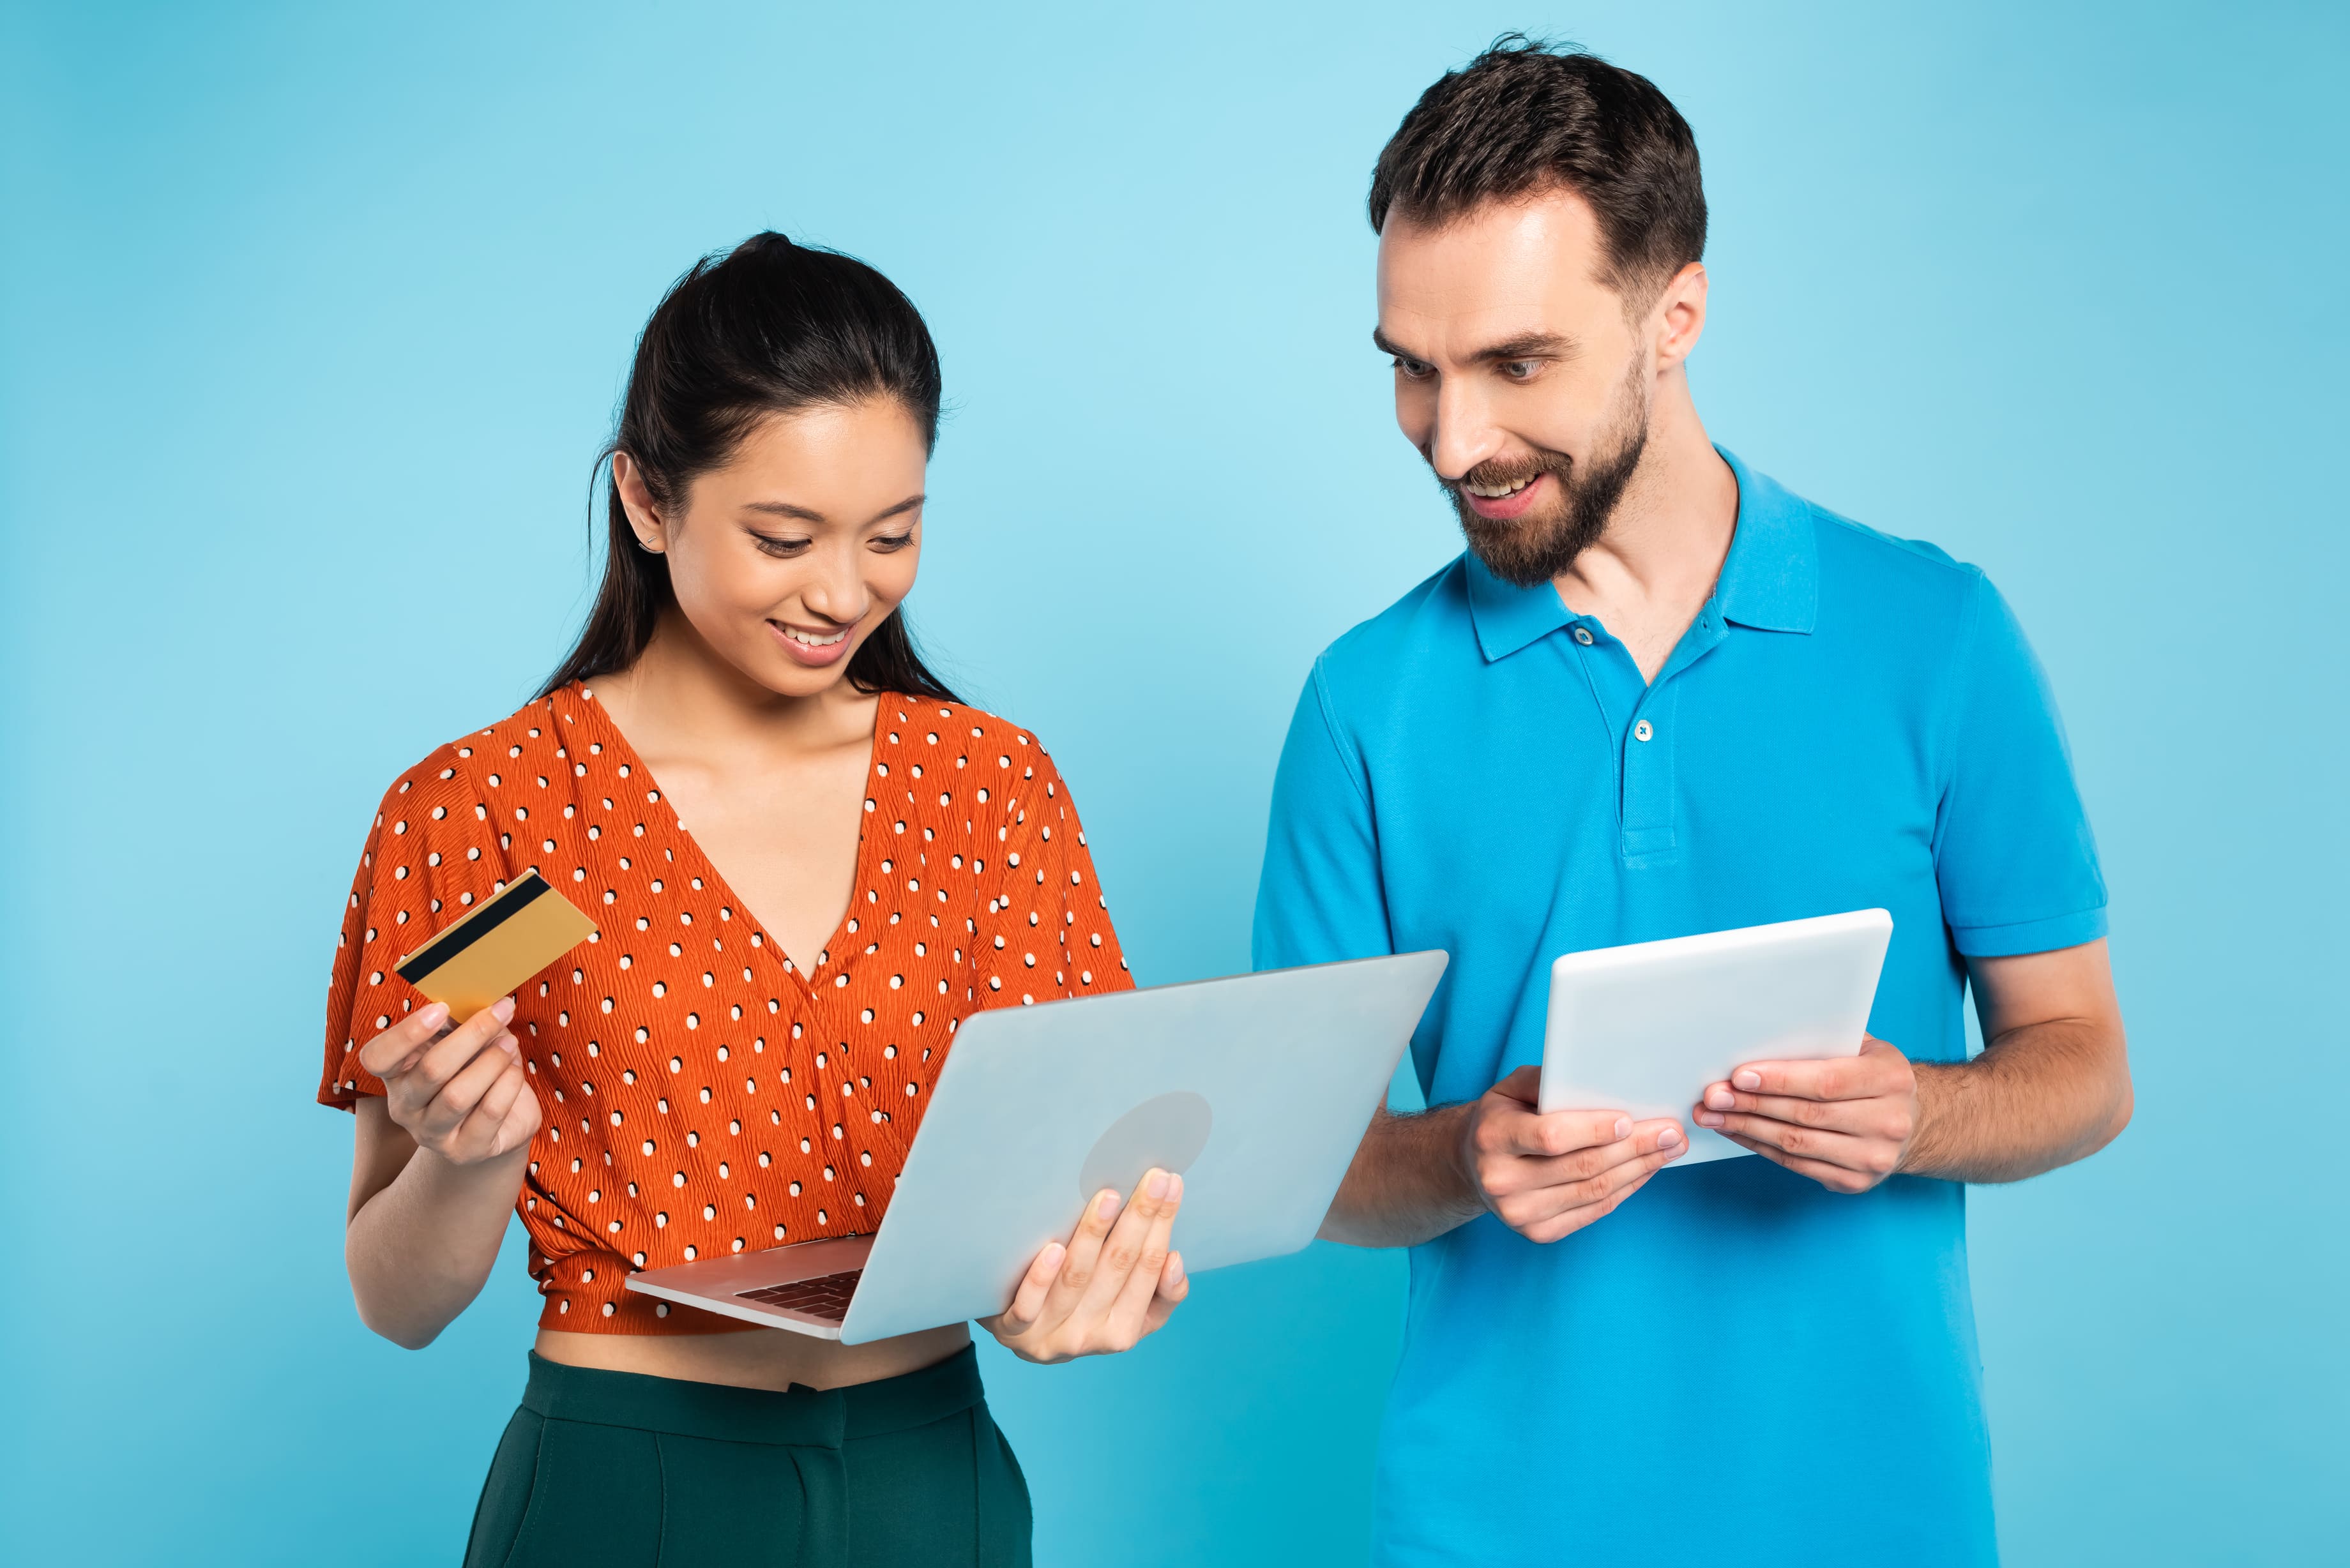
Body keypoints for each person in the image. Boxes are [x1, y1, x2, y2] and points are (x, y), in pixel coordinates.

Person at [1254, 40, 2133, 1567]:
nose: (1452, 440)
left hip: (1874, 1514)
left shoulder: (1934, 634)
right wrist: (1463, 1151)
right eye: (1412, 367)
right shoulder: (1362, 704)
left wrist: (1921, 1110)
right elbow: (1306, 1164)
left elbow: (2084, 1065)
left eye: (1515, 364)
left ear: (1675, 317)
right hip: (1491, 1526)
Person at [319, 233, 1187, 1568]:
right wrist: (472, 1157)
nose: (843, 592)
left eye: (892, 535)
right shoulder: (486, 808)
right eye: (784, 537)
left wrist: (1068, 1288)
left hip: (930, 1479)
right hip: (625, 1484)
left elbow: (1065, 1183)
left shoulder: (988, 788)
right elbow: (396, 1299)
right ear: (646, 500)